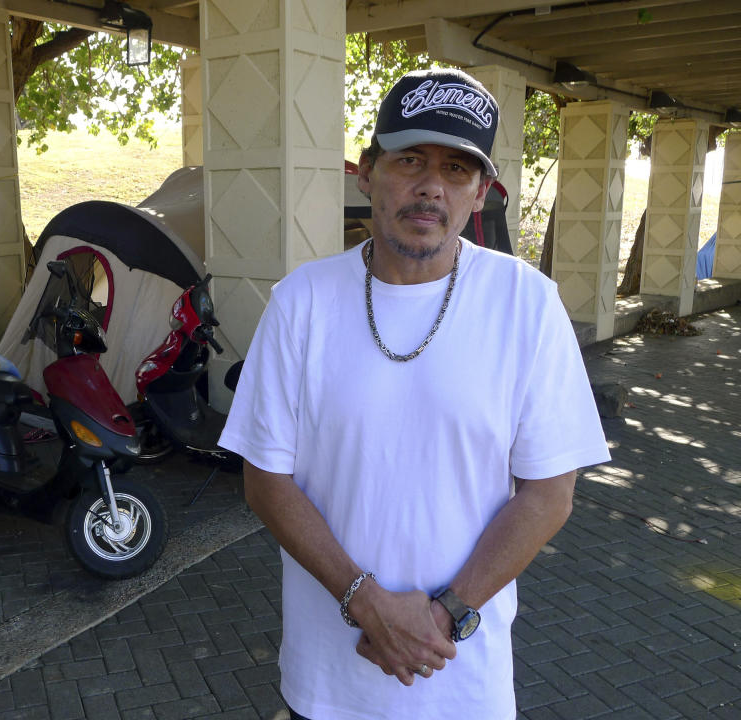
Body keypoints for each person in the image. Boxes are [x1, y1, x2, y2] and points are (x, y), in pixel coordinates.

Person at [217, 68, 610, 720]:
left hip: (462, 679)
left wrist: (445, 612)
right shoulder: (301, 303)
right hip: (327, 681)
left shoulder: (527, 305)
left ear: (480, 191)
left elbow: (549, 493)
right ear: (367, 171)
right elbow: (266, 481)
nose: (431, 186)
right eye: (410, 160)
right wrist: (365, 602)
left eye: (457, 169)